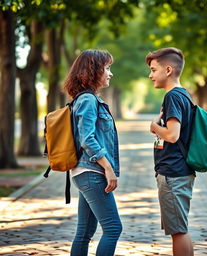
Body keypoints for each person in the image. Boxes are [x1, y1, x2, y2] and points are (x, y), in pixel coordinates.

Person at [64, 49, 122, 256]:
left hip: (84, 173)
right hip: (92, 173)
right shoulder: (88, 100)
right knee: (114, 228)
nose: (110, 73)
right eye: (107, 68)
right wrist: (108, 168)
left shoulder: (85, 99)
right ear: (94, 70)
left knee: (84, 232)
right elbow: (87, 137)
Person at [145, 47, 195, 256]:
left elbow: (172, 135)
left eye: (153, 70)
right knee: (180, 229)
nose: (150, 75)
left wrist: (154, 126)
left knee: (178, 231)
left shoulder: (173, 97)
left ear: (167, 70)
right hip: (180, 170)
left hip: (173, 172)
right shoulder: (183, 95)